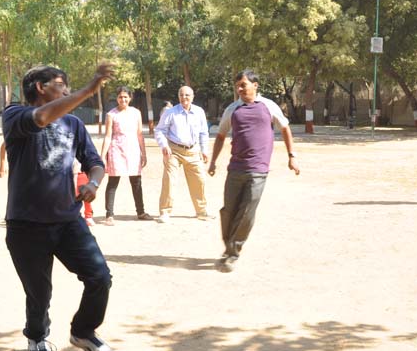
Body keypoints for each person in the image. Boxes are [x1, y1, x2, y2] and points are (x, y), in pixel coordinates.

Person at [3, 63, 116, 351]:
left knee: (99, 276)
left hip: (68, 221)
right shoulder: (14, 114)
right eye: (61, 84)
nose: (67, 90)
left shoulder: (73, 124)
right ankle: (37, 337)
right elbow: (41, 118)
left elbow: (95, 163)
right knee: (39, 293)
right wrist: (88, 91)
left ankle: (83, 332)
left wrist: (93, 183)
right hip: (26, 224)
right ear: (41, 87)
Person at [208, 69, 300, 272]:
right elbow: (221, 135)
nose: (240, 89)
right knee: (228, 211)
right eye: (237, 86)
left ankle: (233, 252)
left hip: (258, 169)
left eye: (243, 85)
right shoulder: (233, 109)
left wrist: (291, 156)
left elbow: (285, 128)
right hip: (235, 168)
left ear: (255, 85)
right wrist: (213, 161)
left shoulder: (268, 106)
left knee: (247, 212)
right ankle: (229, 246)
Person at [154, 86, 212, 222]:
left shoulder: (199, 112)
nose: (184, 97)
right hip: (174, 151)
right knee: (169, 180)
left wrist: (204, 150)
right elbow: (159, 130)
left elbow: (204, 132)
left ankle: (201, 211)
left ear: (192, 96)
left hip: (193, 151)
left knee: (199, 180)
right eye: (181, 95)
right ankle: (165, 212)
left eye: (187, 95)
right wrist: (164, 145)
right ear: (178, 96)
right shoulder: (170, 112)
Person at [99, 86, 151, 224]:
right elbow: (108, 136)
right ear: (117, 98)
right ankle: (109, 215)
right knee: (113, 182)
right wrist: (103, 156)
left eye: (125, 97)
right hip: (116, 150)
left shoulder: (136, 113)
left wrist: (144, 153)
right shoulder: (111, 115)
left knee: (136, 182)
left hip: (133, 150)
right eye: (120, 97)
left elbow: (139, 134)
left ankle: (141, 212)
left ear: (130, 98)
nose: (123, 99)